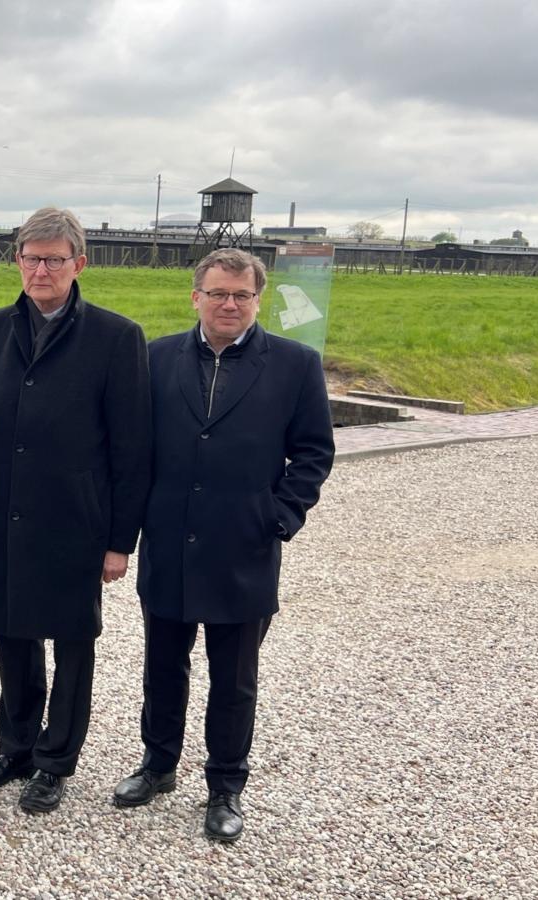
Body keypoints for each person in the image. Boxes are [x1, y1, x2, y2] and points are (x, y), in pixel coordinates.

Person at [114, 248, 334, 842]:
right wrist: (127, 530)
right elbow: (134, 451)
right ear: (196, 297)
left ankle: (226, 785)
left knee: (234, 678)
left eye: (240, 295)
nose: (228, 304)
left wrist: (279, 515)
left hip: (244, 548)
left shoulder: (293, 365)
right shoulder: (156, 359)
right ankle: (158, 766)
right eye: (217, 293)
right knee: (163, 667)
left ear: (257, 300)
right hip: (169, 543)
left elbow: (313, 452)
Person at [0, 207, 151, 815]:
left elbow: (132, 447)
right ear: (18, 261)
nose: (40, 269)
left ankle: (55, 760)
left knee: (71, 639)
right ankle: (15, 746)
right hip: (0, 510)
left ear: (78, 264)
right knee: (11, 633)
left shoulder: (117, 338)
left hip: (73, 518)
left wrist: (120, 541)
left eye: (54, 259)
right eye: (30, 257)